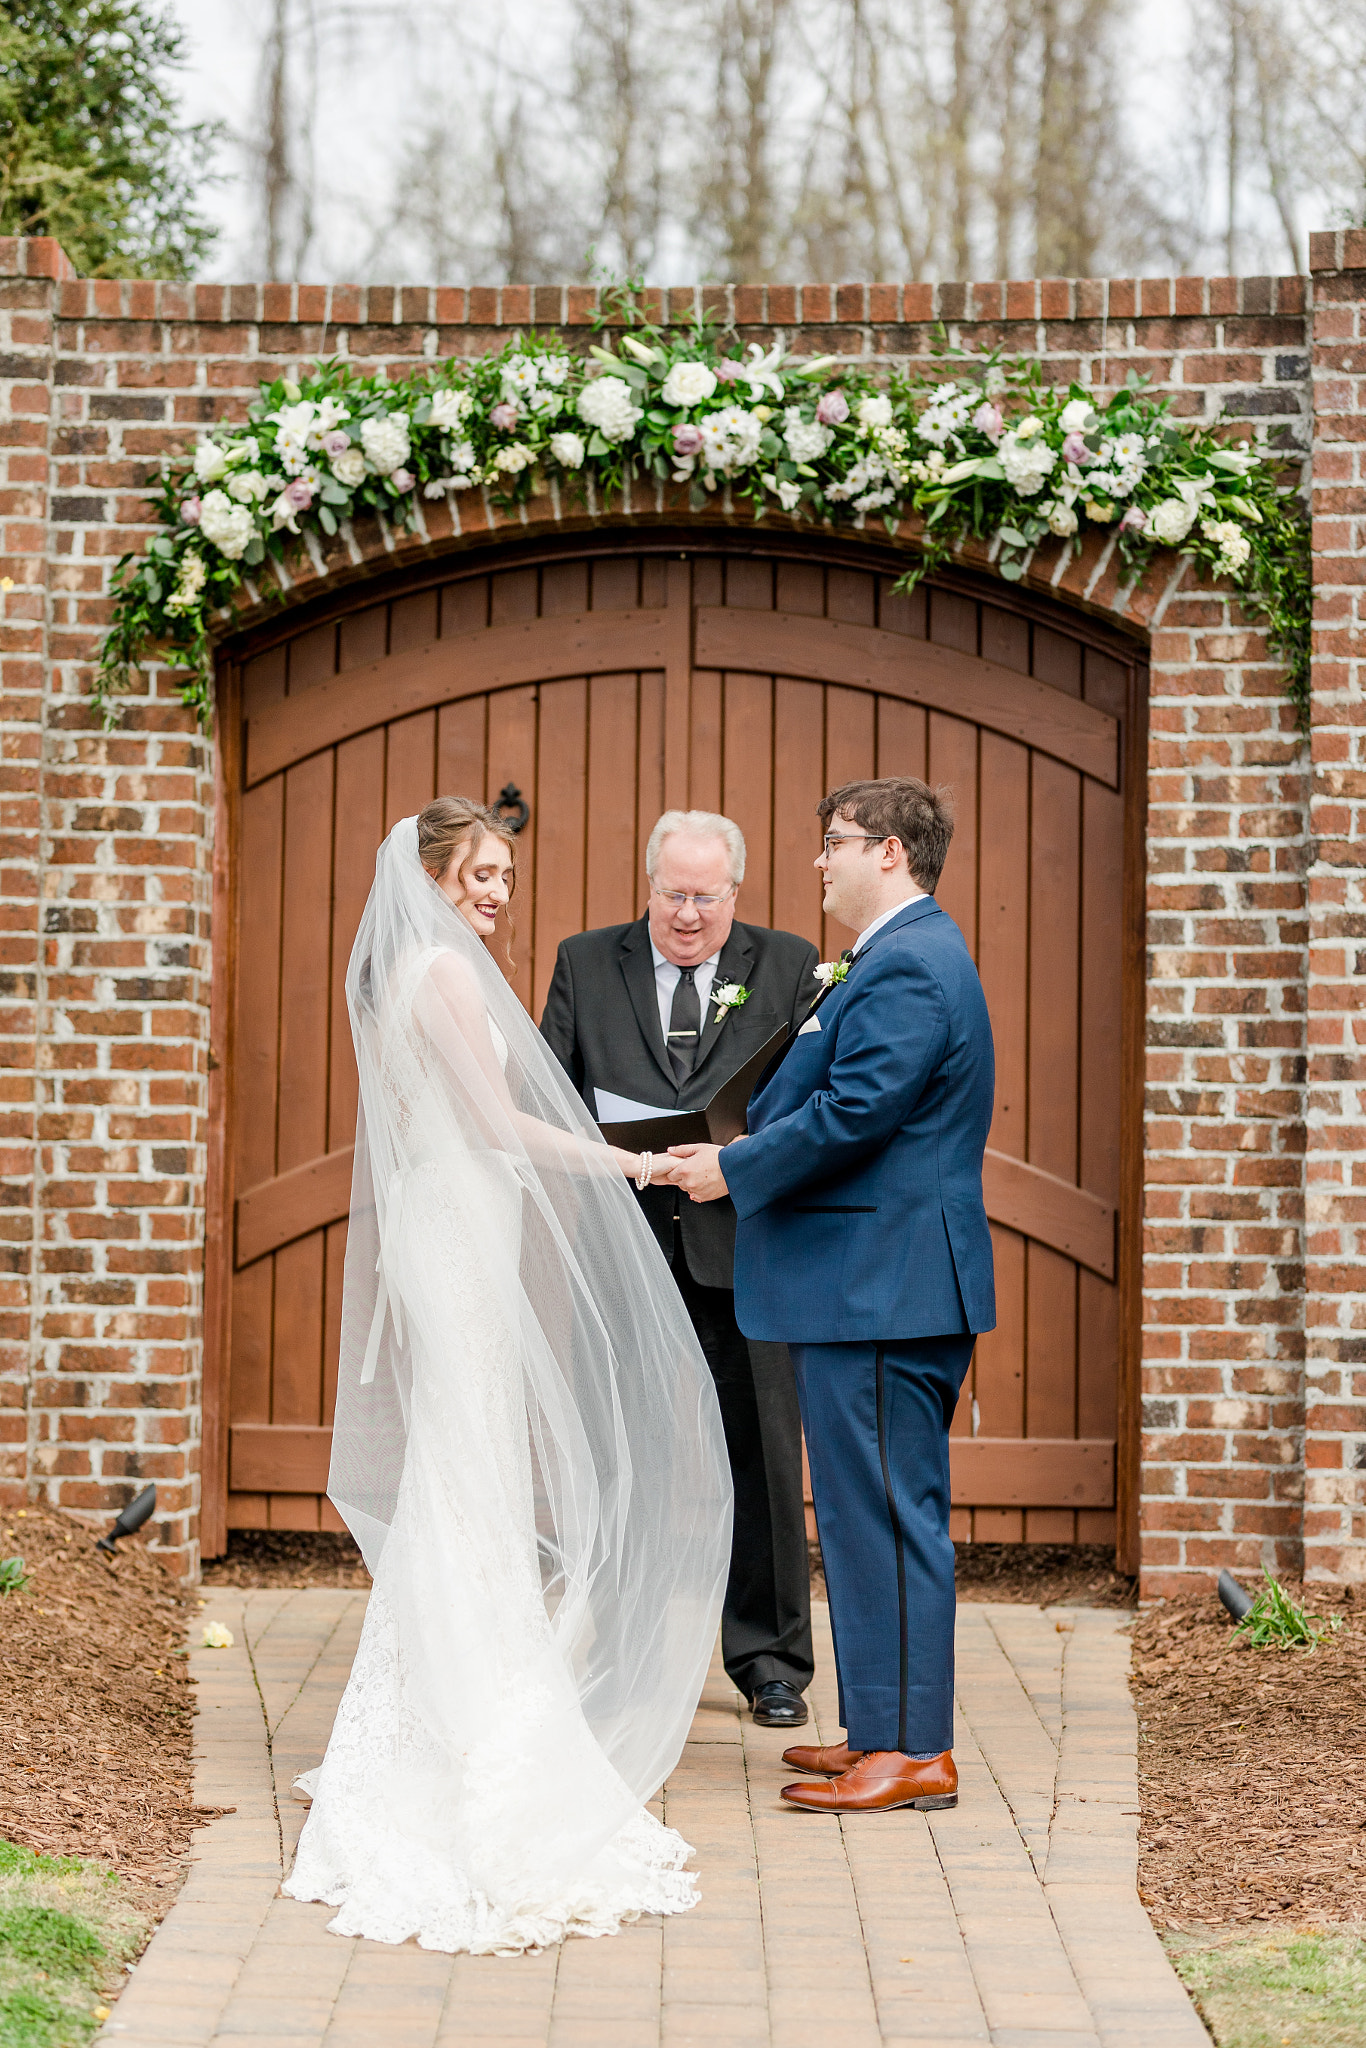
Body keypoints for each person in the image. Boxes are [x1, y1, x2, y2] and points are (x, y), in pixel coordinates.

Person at [283, 798, 731, 1953]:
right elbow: (497, 1126)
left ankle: (433, 1700)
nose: (496, 890)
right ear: (429, 875)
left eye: (506, 874)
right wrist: (630, 1161)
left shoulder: (414, 968)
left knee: (464, 1465)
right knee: (468, 1468)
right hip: (457, 1234)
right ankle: (467, 1719)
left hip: (449, 1232)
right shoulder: (439, 971)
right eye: (479, 871)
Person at [666, 777, 996, 1814]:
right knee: (859, 1518)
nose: (820, 860)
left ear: (890, 851)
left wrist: (736, 1167)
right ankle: (880, 1729)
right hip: (866, 1288)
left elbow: (856, 1112)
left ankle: (917, 1750)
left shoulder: (909, 966)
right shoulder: (887, 957)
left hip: (887, 1291)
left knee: (889, 1517)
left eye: (836, 841)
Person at [540, 810, 819, 1731]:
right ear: (648, 884)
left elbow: (813, 1098)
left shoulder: (788, 965)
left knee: (765, 1460)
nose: (689, 915)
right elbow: (548, 1097)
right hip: (625, 1252)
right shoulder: (586, 962)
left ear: (735, 893)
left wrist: (739, 1157)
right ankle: (624, 1653)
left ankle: (770, 1661)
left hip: (748, 1251)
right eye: (673, 895)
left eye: (706, 897)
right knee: (626, 1463)